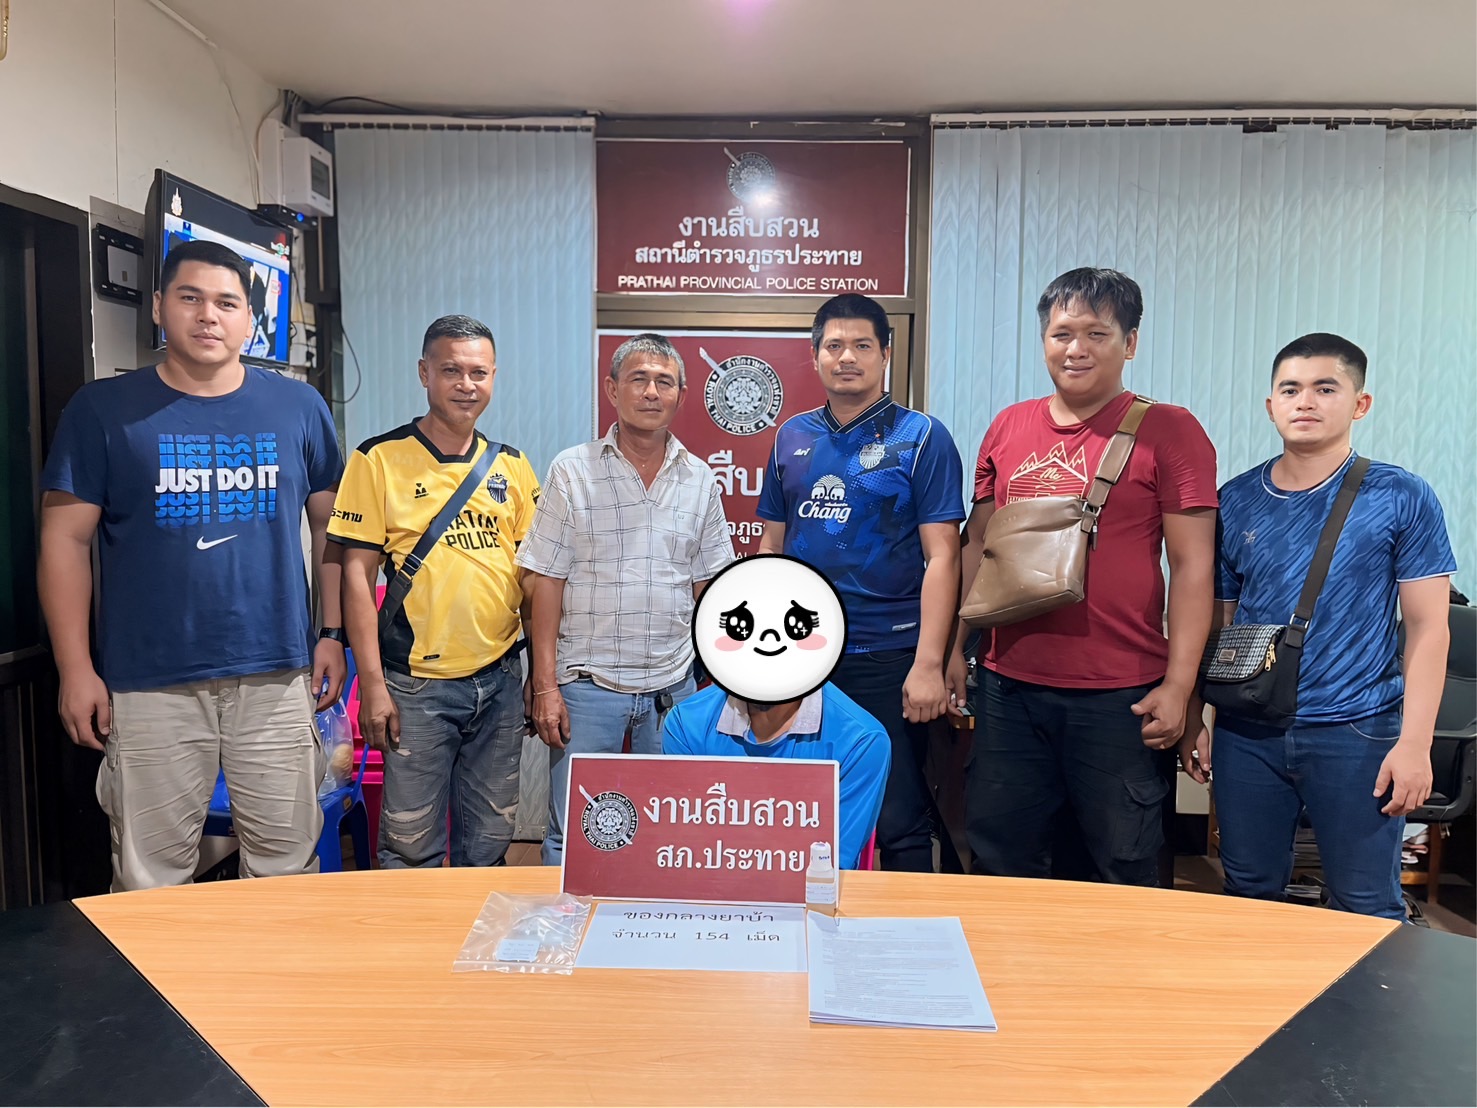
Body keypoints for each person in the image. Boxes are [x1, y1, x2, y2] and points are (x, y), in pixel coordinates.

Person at [37, 238, 346, 891]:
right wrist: (75, 668)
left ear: (249, 319)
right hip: (150, 682)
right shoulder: (102, 411)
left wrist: (331, 633)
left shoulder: (298, 408)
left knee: (288, 870)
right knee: (150, 880)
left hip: (275, 674)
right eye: (191, 298)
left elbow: (333, 528)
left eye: (227, 303)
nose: (209, 315)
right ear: (158, 306)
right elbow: (63, 542)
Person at [956, 267, 1218, 887]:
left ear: (1130, 343)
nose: (1076, 348)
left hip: (1120, 696)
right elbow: (978, 546)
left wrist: (1180, 687)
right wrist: (953, 653)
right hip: (1008, 686)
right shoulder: (1008, 425)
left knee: (1119, 869)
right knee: (1001, 860)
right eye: (1061, 333)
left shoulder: (1170, 429)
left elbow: (1193, 567)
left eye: (1097, 333)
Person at [1180, 333, 1455, 919]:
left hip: (1358, 729)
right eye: (1290, 389)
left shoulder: (1400, 495)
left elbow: (1430, 627)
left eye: (1325, 388)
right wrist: (1194, 716)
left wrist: (1415, 743)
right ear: (1270, 405)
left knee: (1366, 905)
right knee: (1248, 897)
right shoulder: (1235, 500)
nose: (1305, 401)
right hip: (1247, 731)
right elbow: (1217, 626)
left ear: (1360, 403)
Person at [758, 293, 964, 873]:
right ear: (815, 355)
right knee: (797, 805)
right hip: (799, 651)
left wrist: (928, 664)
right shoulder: (791, 436)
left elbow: (944, 557)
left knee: (898, 815)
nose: (846, 357)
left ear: (885, 354)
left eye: (862, 345)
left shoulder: (921, 437)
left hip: (887, 654)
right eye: (834, 346)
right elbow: (771, 547)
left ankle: (905, 928)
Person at [330, 314, 541, 868]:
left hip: (500, 679)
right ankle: (411, 930)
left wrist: (538, 675)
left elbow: (534, 580)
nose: (466, 385)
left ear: (493, 377)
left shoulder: (513, 466)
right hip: (415, 688)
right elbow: (357, 577)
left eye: (478, 372)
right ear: (424, 373)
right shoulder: (378, 459)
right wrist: (372, 685)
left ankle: (478, 926)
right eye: (451, 371)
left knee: (490, 843)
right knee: (410, 847)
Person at [517, 332, 734, 865]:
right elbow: (546, 580)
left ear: (682, 395)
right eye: (639, 379)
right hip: (587, 688)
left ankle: (658, 919)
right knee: (575, 835)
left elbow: (711, 586)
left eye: (664, 382)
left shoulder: (700, 479)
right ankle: (568, 923)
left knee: (673, 830)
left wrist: (723, 685)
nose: (652, 392)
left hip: (674, 689)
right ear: (613, 389)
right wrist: (545, 685)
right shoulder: (572, 470)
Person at [663, 553, 890, 870]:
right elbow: (682, 850)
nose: (767, 643)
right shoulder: (685, 724)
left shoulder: (862, 742)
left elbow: (833, 864)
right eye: (743, 627)